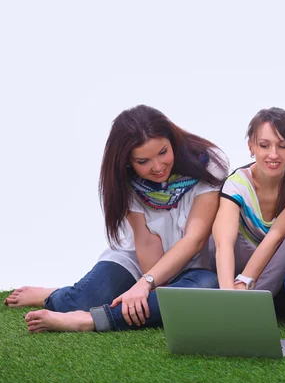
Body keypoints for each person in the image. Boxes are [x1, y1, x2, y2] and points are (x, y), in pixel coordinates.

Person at [5, 105, 228, 332]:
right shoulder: (123, 180)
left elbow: (195, 238)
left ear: (172, 140)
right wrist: (151, 286)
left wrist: (146, 284)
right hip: (138, 260)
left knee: (206, 289)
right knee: (76, 302)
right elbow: (146, 240)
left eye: (163, 152)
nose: (158, 167)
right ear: (128, 161)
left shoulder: (208, 162)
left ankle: (88, 321)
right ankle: (53, 295)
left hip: (195, 266)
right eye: (143, 161)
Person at [210, 107, 285, 300]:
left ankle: (253, 300)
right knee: (216, 238)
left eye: (283, 146)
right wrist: (229, 295)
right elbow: (224, 244)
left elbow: (277, 234)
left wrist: (244, 281)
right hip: (256, 268)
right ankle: (242, 300)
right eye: (264, 145)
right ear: (251, 147)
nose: (274, 155)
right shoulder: (237, 184)